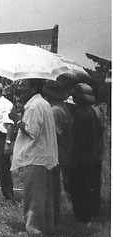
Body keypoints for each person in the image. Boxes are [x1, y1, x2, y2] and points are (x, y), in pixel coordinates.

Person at [9, 79, 58, 237]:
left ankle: (34, 229)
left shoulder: (34, 105)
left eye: (25, 86)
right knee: (44, 196)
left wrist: (16, 119)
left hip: (35, 157)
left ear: (35, 87)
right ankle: (47, 227)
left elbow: (32, 131)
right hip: (44, 157)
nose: (21, 89)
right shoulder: (43, 103)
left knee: (33, 196)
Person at [68, 83, 106, 222]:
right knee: (91, 184)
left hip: (81, 156)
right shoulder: (94, 111)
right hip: (92, 154)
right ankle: (92, 211)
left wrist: (73, 156)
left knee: (78, 186)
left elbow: (79, 139)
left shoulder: (81, 114)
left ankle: (82, 215)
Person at [41, 80, 73, 227]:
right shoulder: (62, 107)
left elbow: (53, 133)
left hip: (56, 151)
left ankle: (52, 218)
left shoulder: (55, 110)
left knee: (51, 185)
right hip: (62, 150)